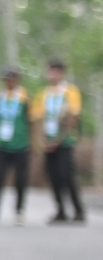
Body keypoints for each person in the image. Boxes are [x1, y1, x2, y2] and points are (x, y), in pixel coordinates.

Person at [38, 59, 85, 223]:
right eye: (50, 71)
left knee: (67, 175)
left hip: (65, 141)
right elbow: (40, 118)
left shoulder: (70, 91)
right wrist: (43, 140)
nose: (52, 75)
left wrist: (59, 139)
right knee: (53, 176)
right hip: (48, 141)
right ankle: (60, 210)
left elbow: (73, 116)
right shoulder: (45, 93)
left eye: (55, 72)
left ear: (62, 73)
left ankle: (78, 210)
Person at [0, 68, 32, 225]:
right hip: (3, 144)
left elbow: (31, 120)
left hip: (21, 144)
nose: (9, 82)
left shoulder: (25, 97)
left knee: (20, 179)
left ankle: (19, 211)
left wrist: (32, 142)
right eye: (6, 79)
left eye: (12, 79)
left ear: (17, 80)